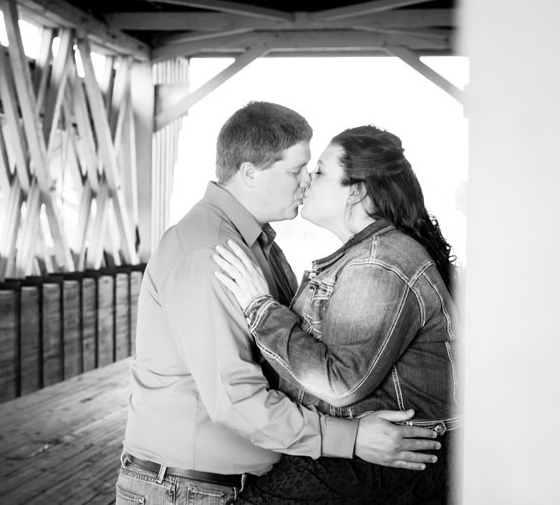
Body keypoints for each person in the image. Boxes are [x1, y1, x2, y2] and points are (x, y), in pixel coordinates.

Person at [117, 105, 442, 504]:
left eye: (313, 170)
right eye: (297, 170)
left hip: (217, 485)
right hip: (189, 490)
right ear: (250, 172)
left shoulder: (255, 245)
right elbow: (235, 399)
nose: (306, 182)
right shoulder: (210, 253)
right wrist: (352, 439)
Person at [212, 124, 460, 503]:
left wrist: (259, 308)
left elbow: (341, 384)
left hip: (384, 470)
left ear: (357, 190)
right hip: (379, 464)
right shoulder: (368, 256)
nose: (308, 179)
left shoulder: (380, 264)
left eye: (322, 171)